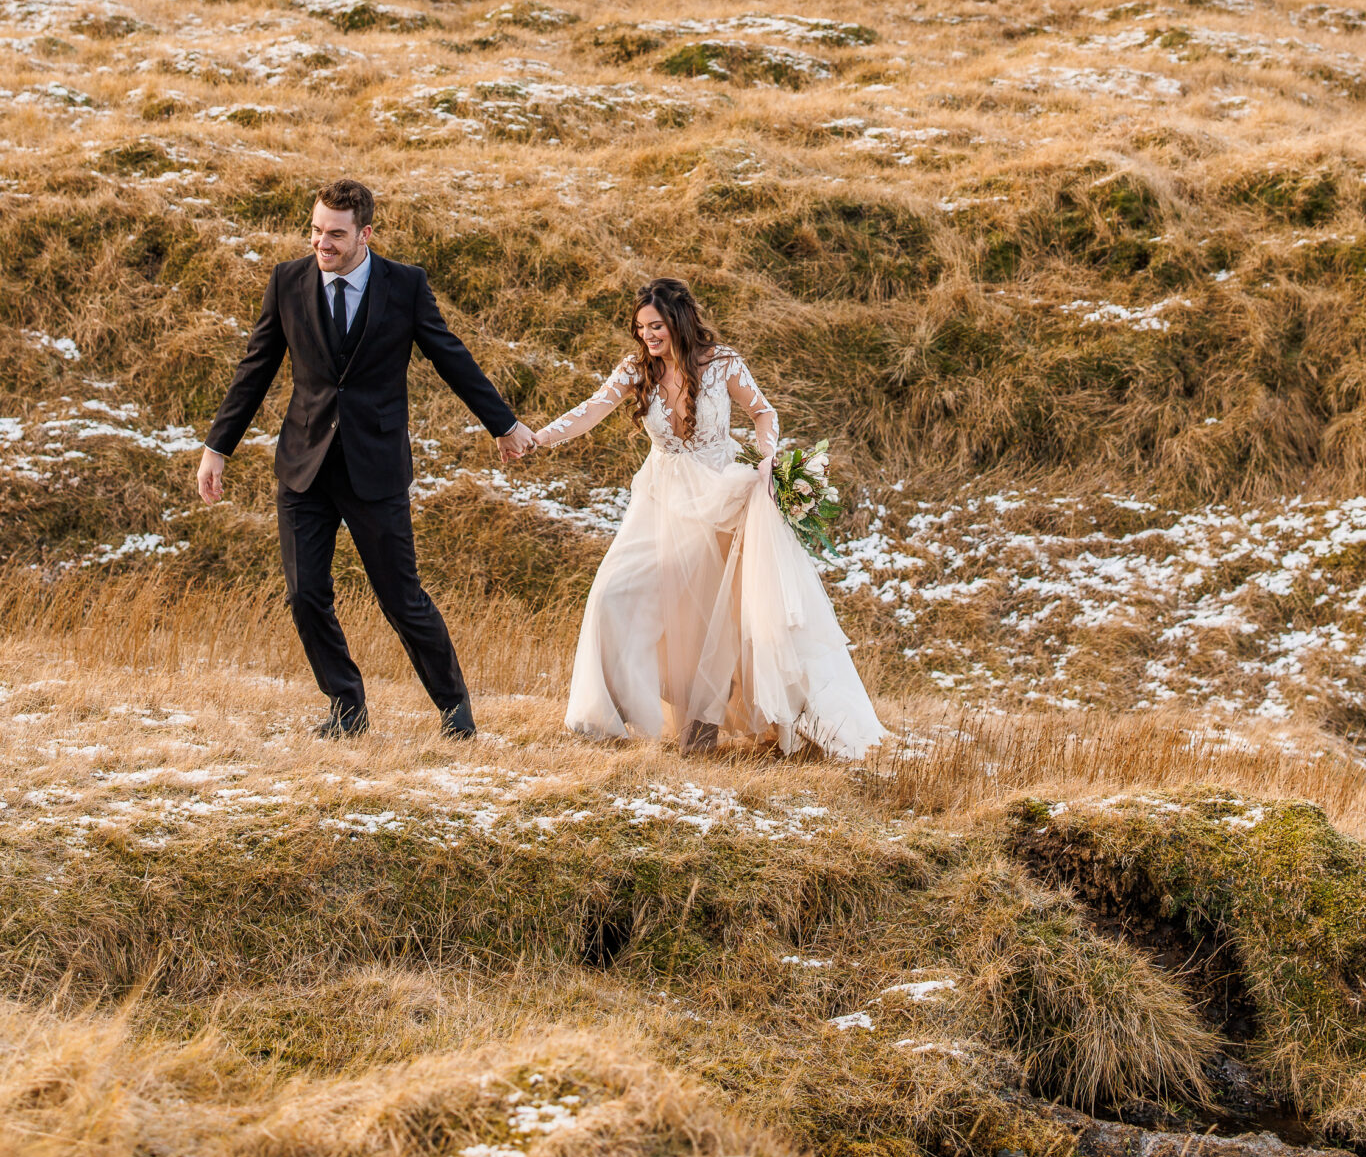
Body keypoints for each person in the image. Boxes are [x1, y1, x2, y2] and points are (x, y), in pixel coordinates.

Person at [195, 179, 533, 740]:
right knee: (305, 596)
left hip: (374, 467)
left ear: (365, 234)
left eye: (334, 234)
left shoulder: (404, 285)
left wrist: (502, 423)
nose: (321, 244)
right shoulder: (287, 280)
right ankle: (346, 707)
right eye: (315, 230)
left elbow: (450, 356)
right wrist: (218, 447)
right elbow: (256, 367)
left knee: (401, 598)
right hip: (304, 465)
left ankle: (455, 709)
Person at [526, 277, 882, 759]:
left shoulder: (723, 364)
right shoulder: (637, 369)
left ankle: (707, 729)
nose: (648, 335)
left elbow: (764, 411)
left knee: (715, 614)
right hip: (660, 498)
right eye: (640, 328)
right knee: (614, 592)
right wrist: (539, 438)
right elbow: (593, 409)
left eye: (655, 325)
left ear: (678, 320)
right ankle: (612, 715)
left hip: (721, 496)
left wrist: (767, 458)